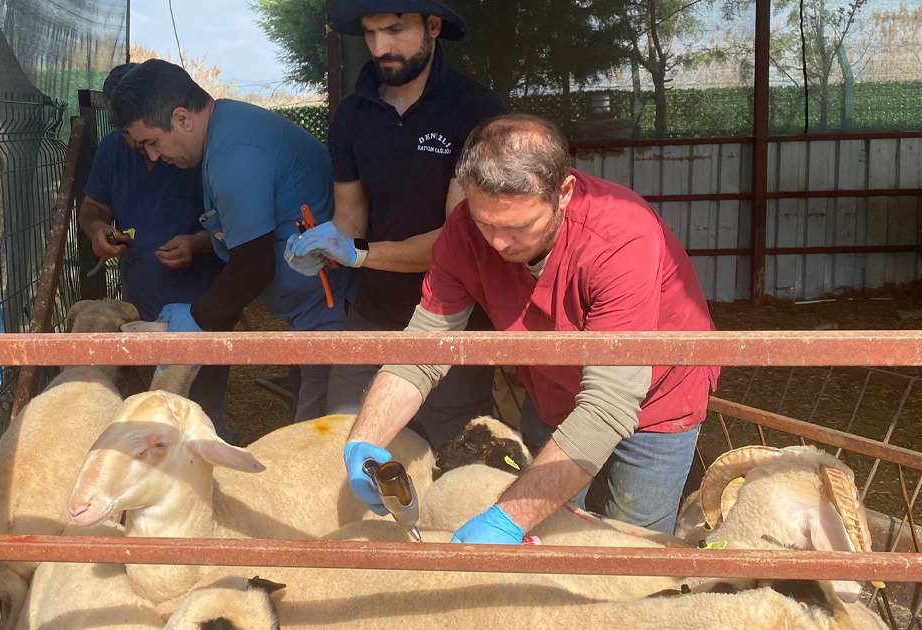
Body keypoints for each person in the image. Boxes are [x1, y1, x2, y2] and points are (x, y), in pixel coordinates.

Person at [341, 114, 720, 539]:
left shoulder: (621, 240)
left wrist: (509, 516)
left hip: (655, 399)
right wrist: (365, 441)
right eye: (486, 223)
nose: (498, 243)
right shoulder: (463, 232)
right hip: (552, 389)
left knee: (627, 541)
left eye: (519, 226)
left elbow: (609, 404)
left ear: (564, 192)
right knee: (549, 534)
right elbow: (423, 351)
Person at [284, 0, 507, 450]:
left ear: (433, 26)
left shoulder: (476, 109)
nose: (380, 46)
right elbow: (350, 217)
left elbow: (459, 238)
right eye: (369, 33)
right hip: (373, 313)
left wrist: (361, 254)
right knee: (345, 443)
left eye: (394, 29)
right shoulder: (352, 114)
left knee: (458, 453)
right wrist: (324, 243)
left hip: (452, 315)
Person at [108, 59, 350, 422]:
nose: (154, 157)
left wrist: (197, 316)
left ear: (182, 119)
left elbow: (253, 264)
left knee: (319, 425)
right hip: (311, 311)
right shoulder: (227, 131)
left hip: (331, 313)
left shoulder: (231, 156)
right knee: (307, 393)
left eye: (153, 143)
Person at [79, 63, 231, 438]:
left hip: (204, 302)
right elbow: (92, 210)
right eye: (137, 143)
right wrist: (99, 231)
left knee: (200, 407)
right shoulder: (113, 151)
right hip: (142, 299)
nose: (150, 155)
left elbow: (238, 228)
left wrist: (197, 244)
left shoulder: (201, 148)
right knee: (150, 406)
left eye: (152, 141)